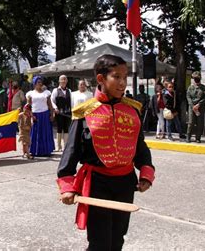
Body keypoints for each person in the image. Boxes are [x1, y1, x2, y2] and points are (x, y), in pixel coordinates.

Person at [57, 54, 155, 250]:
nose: (122, 83)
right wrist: (67, 186)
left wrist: (145, 174)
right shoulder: (85, 113)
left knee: (118, 238)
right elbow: (71, 152)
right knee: (100, 242)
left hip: (125, 183)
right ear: (101, 79)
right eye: (116, 77)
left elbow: (140, 146)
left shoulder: (132, 110)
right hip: (97, 185)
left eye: (125, 77)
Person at [26, 76, 55, 157]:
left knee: (45, 132)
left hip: (45, 114)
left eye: (41, 82)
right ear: (34, 84)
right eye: (38, 82)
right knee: (35, 133)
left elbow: (50, 104)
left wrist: (52, 113)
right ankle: (34, 150)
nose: (40, 83)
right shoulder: (30, 94)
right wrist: (31, 115)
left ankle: (46, 150)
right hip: (35, 115)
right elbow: (28, 106)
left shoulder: (46, 93)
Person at [51, 75, 71, 152]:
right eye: (62, 79)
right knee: (59, 128)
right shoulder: (55, 90)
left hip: (67, 113)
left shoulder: (69, 90)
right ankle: (58, 146)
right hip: (59, 112)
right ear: (59, 81)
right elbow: (52, 100)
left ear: (67, 81)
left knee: (66, 128)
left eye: (65, 79)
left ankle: (65, 145)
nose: (63, 81)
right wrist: (55, 108)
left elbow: (71, 101)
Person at [186, 71, 205, 143]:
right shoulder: (190, 87)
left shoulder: (204, 88)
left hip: (200, 108)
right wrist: (193, 106)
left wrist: (199, 104)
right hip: (192, 107)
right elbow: (188, 97)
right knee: (191, 122)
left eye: (197, 78)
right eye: (195, 78)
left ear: (200, 78)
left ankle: (198, 138)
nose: (196, 79)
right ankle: (188, 137)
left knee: (199, 123)